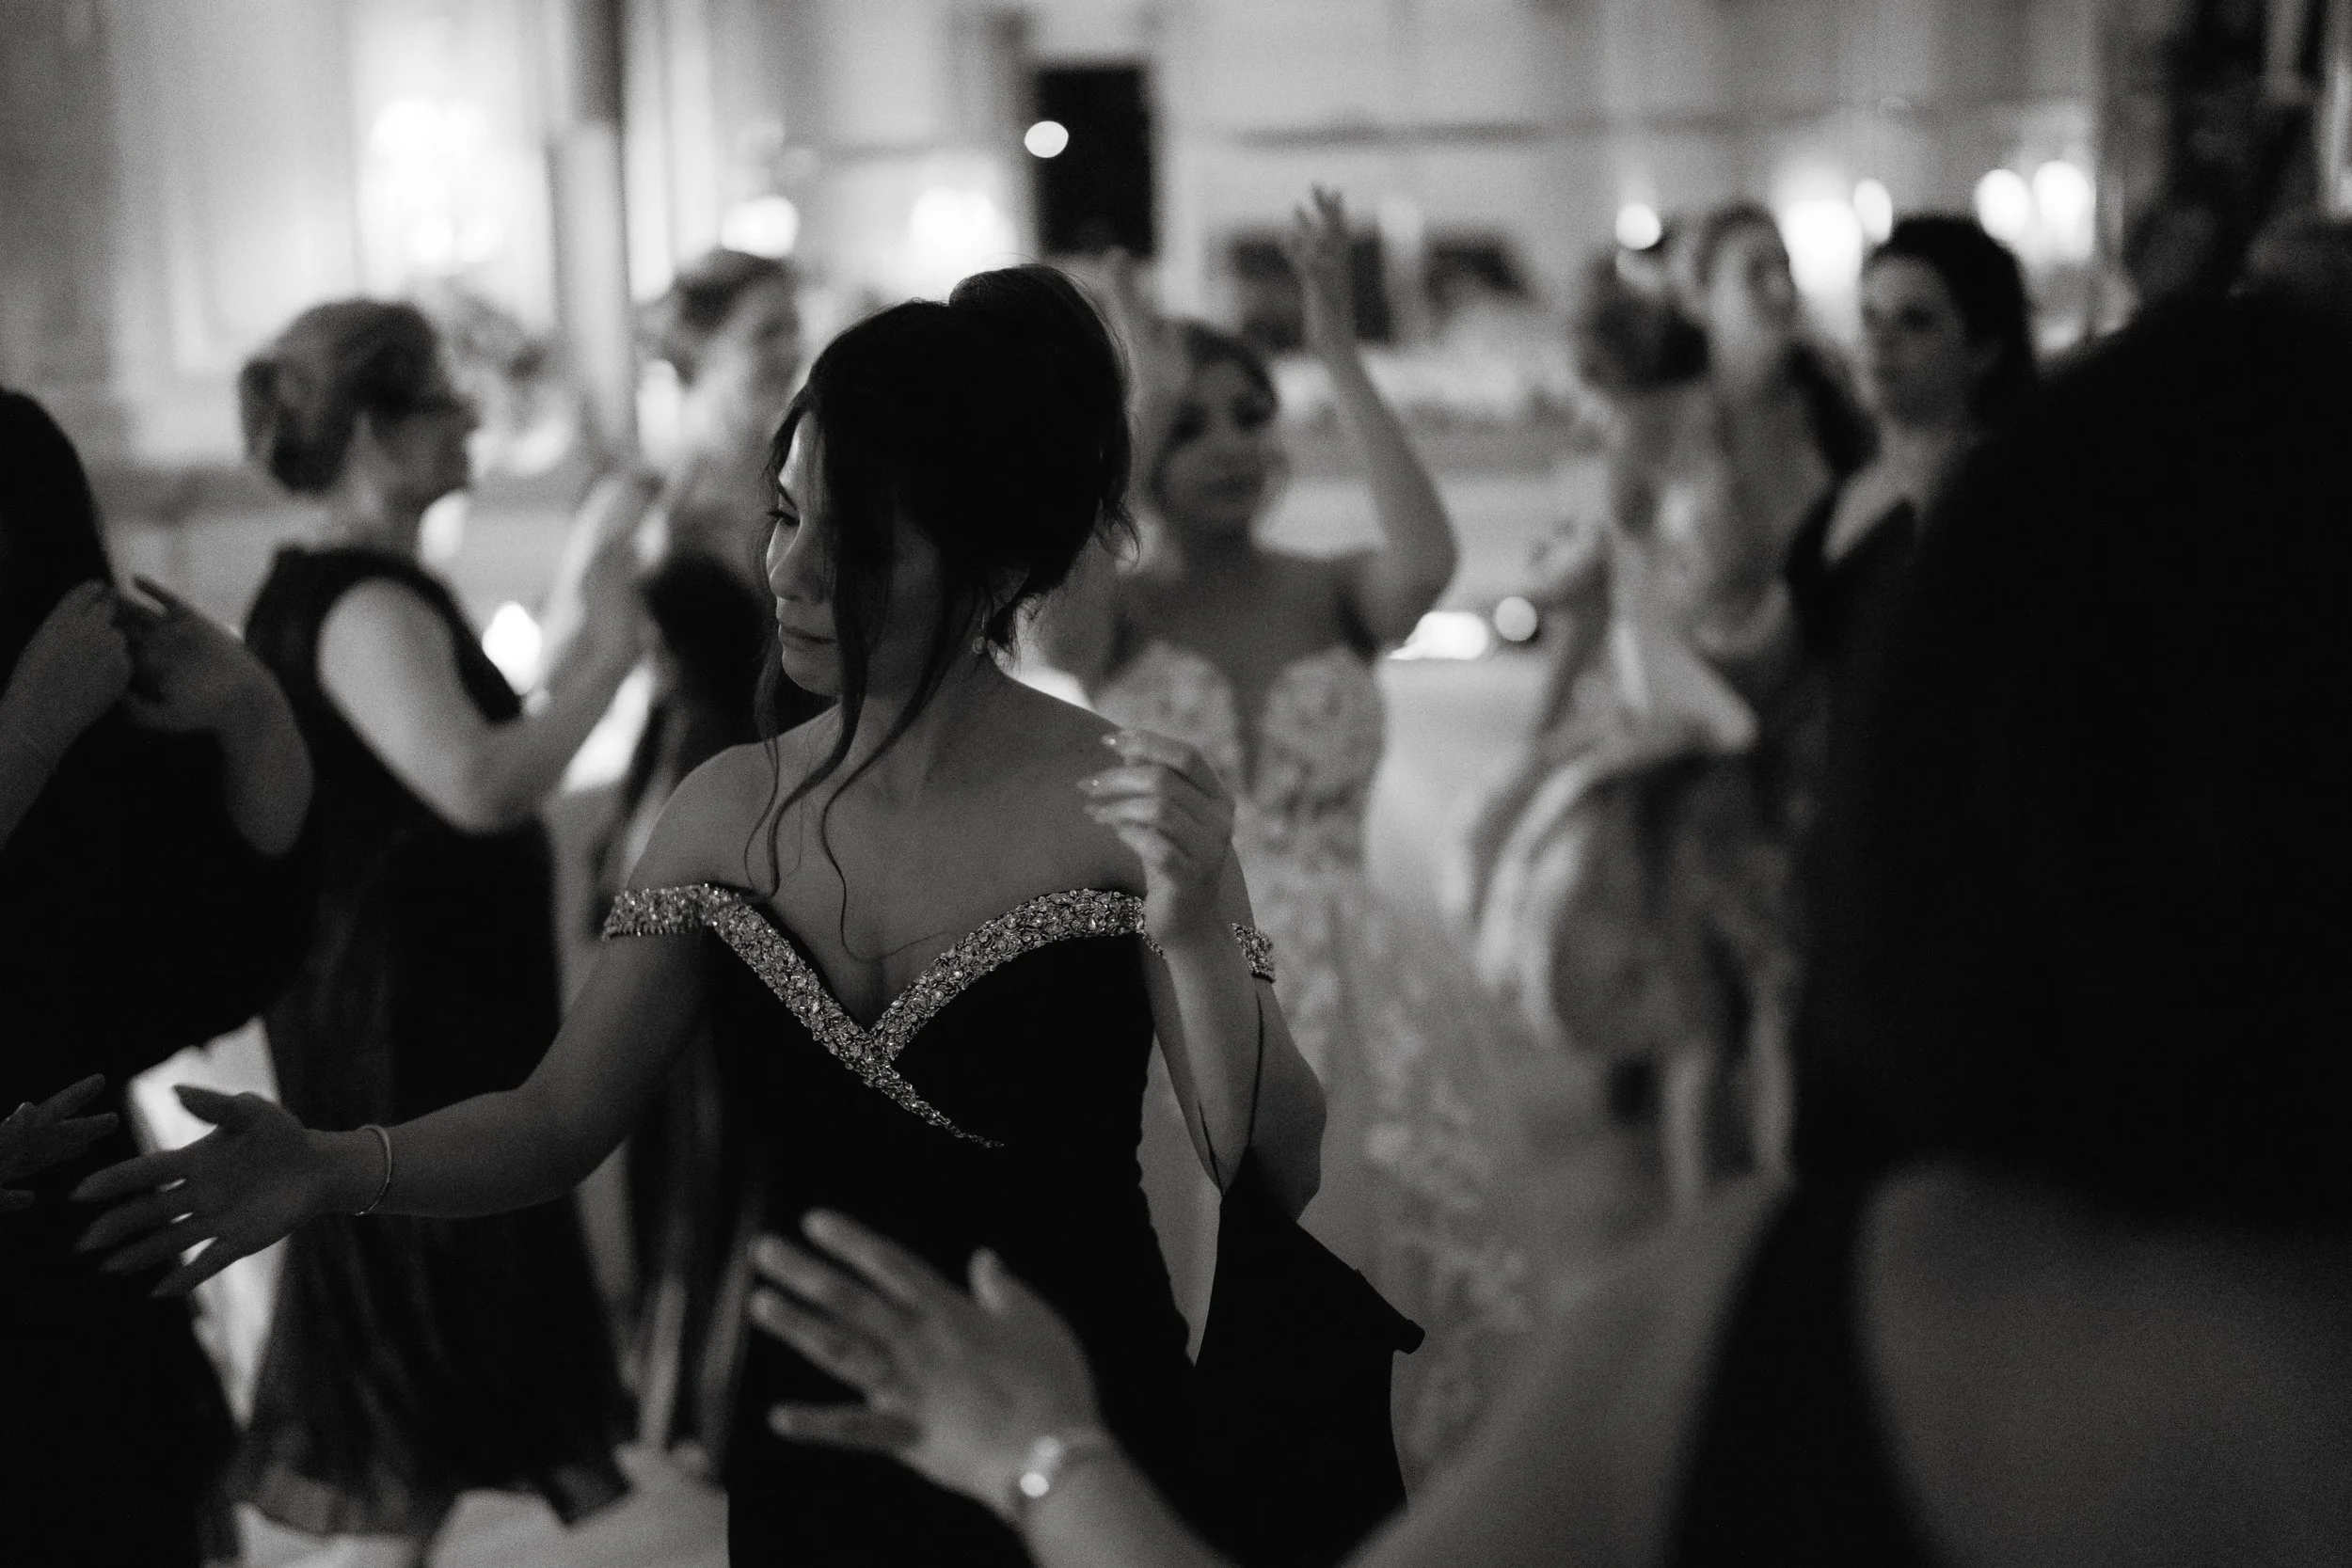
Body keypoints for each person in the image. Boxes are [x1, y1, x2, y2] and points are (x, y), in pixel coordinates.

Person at [723, 285, 2352, 1568]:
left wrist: (1041, 1451)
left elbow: (1416, 556)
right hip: (1215, 974)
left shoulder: (1774, 1335)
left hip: (1342, 970)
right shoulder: (1113, 609)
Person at [76, 264, 1328, 1568]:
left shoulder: (1124, 800)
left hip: (1073, 1412)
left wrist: (1190, 934)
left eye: (854, 541)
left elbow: (1275, 1161)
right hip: (809, 1440)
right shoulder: (727, 808)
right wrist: (336, 1162)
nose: (787, 568)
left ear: (997, 561)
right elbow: (558, 1118)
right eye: (786, 512)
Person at [1037, 189, 1533, 1477]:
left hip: (1367, 996)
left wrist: (1336, 342)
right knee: (1195, 1302)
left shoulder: (1334, 589)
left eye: (1251, 413)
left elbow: (1427, 550)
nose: (1228, 444)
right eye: (1188, 423)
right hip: (1178, 988)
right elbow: (1048, 630)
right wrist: (1135, 381)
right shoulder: (1113, 614)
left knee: (1377, 1282)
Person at [226, 300, 641, 1565]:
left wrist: (594, 581)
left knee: (433, 1391)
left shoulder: (376, 589)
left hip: (424, 1006)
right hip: (398, 1021)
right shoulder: (355, 600)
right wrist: (618, 656)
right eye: (441, 403)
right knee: (410, 1380)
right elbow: (479, 782)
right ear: (372, 430)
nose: (469, 418)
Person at [0, 388, 314, 1567]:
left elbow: (214, 961)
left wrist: (252, 716)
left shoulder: (70, 698)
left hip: (76, 1261)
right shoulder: (40, 709)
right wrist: (20, 742)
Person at [1447, 261, 1819, 1226]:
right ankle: (1760, 1221)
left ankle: (1721, 1236)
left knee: (1710, 1014)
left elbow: (1597, 600)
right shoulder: (1718, 445)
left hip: (1701, 744)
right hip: (1733, 740)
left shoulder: (1657, 456)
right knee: (1757, 1002)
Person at [1785, 214, 2033, 708]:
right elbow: (1774, 664)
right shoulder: (1847, 494)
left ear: (1983, 349)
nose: (1881, 340)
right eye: (1870, 317)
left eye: (1915, 320)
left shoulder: (2008, 500)